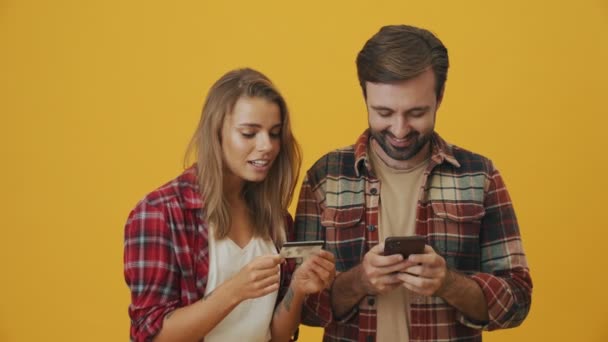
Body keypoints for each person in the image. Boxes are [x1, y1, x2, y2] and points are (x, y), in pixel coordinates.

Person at [292, 25, 532, 341]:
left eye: (417, 112)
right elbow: (299, 305)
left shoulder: (479, 176)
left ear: (440, 97)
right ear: (364, 95)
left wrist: (448, 283)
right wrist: (361, 280)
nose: (400, 129)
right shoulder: (325, 177)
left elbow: (518, 300)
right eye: (384, 112)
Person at [123, 68, 336, 342]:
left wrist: (297, 288)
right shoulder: (159, 213)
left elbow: (280, 335)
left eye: (274, 133)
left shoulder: (277, 220)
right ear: (216, 134)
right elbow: (149, 335)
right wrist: (234, 292)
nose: (267, 146)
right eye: (249, 133)